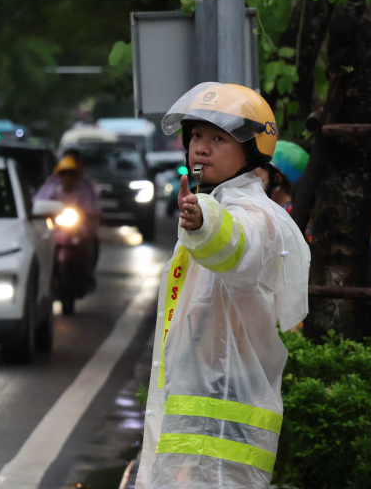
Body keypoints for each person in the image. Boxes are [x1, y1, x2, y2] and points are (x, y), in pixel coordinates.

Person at [135, 83, 310, 489]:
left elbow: (236, 246)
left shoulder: (255, 214)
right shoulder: (218, 202)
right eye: (196, 135)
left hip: (225, 435)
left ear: (250, 151)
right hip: (201, 431)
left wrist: (204, 224)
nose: (201, 148)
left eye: (218, 138)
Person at [35, 155, 101, 287]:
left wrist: (90, 215)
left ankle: (87, 274)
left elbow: (93, 207)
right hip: (56, 229)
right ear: (59, 175)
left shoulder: (84, 189)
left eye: (71, 173)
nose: (67, 177)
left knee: (89, 244)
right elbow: (38, 203)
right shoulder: (51, 188)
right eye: (64, 173)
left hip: (78, 230)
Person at [255, 140, 309, 213]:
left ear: (277, 178)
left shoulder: (289, 214)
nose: (255, 181)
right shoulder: (277, 211)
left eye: (257, 176)